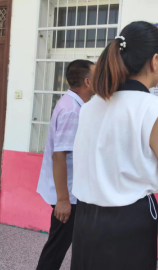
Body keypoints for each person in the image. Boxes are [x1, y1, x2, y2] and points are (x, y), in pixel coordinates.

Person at [71, 21, 158, 270]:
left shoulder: (89, 107)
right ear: (154, 61)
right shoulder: (152, 109)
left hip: (86, 219)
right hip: (128, 222)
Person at [36, 60, 95, 270]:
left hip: (71, 192)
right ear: (88, 81)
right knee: (56, 248)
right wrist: (63, 200)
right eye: (97, 76)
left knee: (64, 244)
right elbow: (59, 156)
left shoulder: (73, 104)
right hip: (67, 195)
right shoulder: (72, 111)